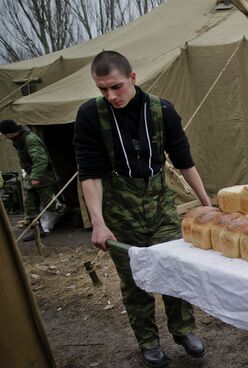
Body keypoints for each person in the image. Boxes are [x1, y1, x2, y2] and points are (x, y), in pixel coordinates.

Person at [73, 51, 212, 367]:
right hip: (120, 212)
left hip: (160, 206)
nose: (111, 96)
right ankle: (148, 341)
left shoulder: (162, 111)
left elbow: (183, 160)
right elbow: (90, 173)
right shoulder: (90, 116)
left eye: (116, 87)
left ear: (133, 78)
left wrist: (207, 204)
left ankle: (183, 330)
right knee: (135, 281)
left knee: (174, 269)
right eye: (103, 89)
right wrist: (97, 222)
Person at [0, 119, 64, 241]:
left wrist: (35, 176)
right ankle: (36, 230)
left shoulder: (30, 140)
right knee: (29, 204)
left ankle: (65, 210)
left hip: (43, 177)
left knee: (49, 204)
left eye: (4, 134)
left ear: (9, 133)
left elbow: (40, 159)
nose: (4, 137)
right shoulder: (19, 139)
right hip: (31, 176)